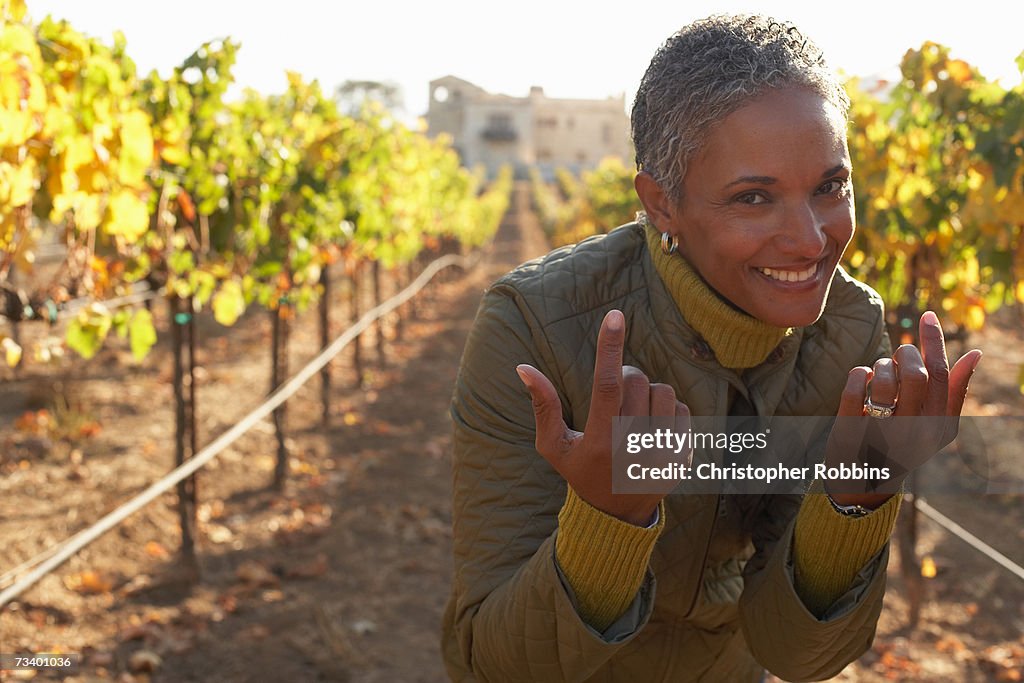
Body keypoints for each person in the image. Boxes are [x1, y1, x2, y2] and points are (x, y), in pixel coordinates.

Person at [441, 14, 982, 682]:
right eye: (754, 198)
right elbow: (490, 663)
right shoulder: (536, 330)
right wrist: (608, 519)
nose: (813, 240)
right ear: (661, 204)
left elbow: (796, 653)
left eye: (830, 186)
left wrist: (860, 490)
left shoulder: (846, 332)